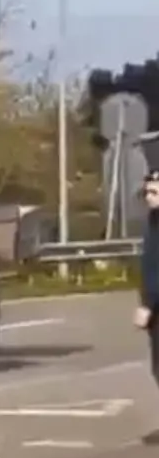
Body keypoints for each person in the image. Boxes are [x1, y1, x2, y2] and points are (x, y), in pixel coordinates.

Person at [137, 170, 159, 445]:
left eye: (154, 192)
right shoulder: (153, 220)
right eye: (147, 192)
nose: (148, 197)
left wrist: (148, 303)